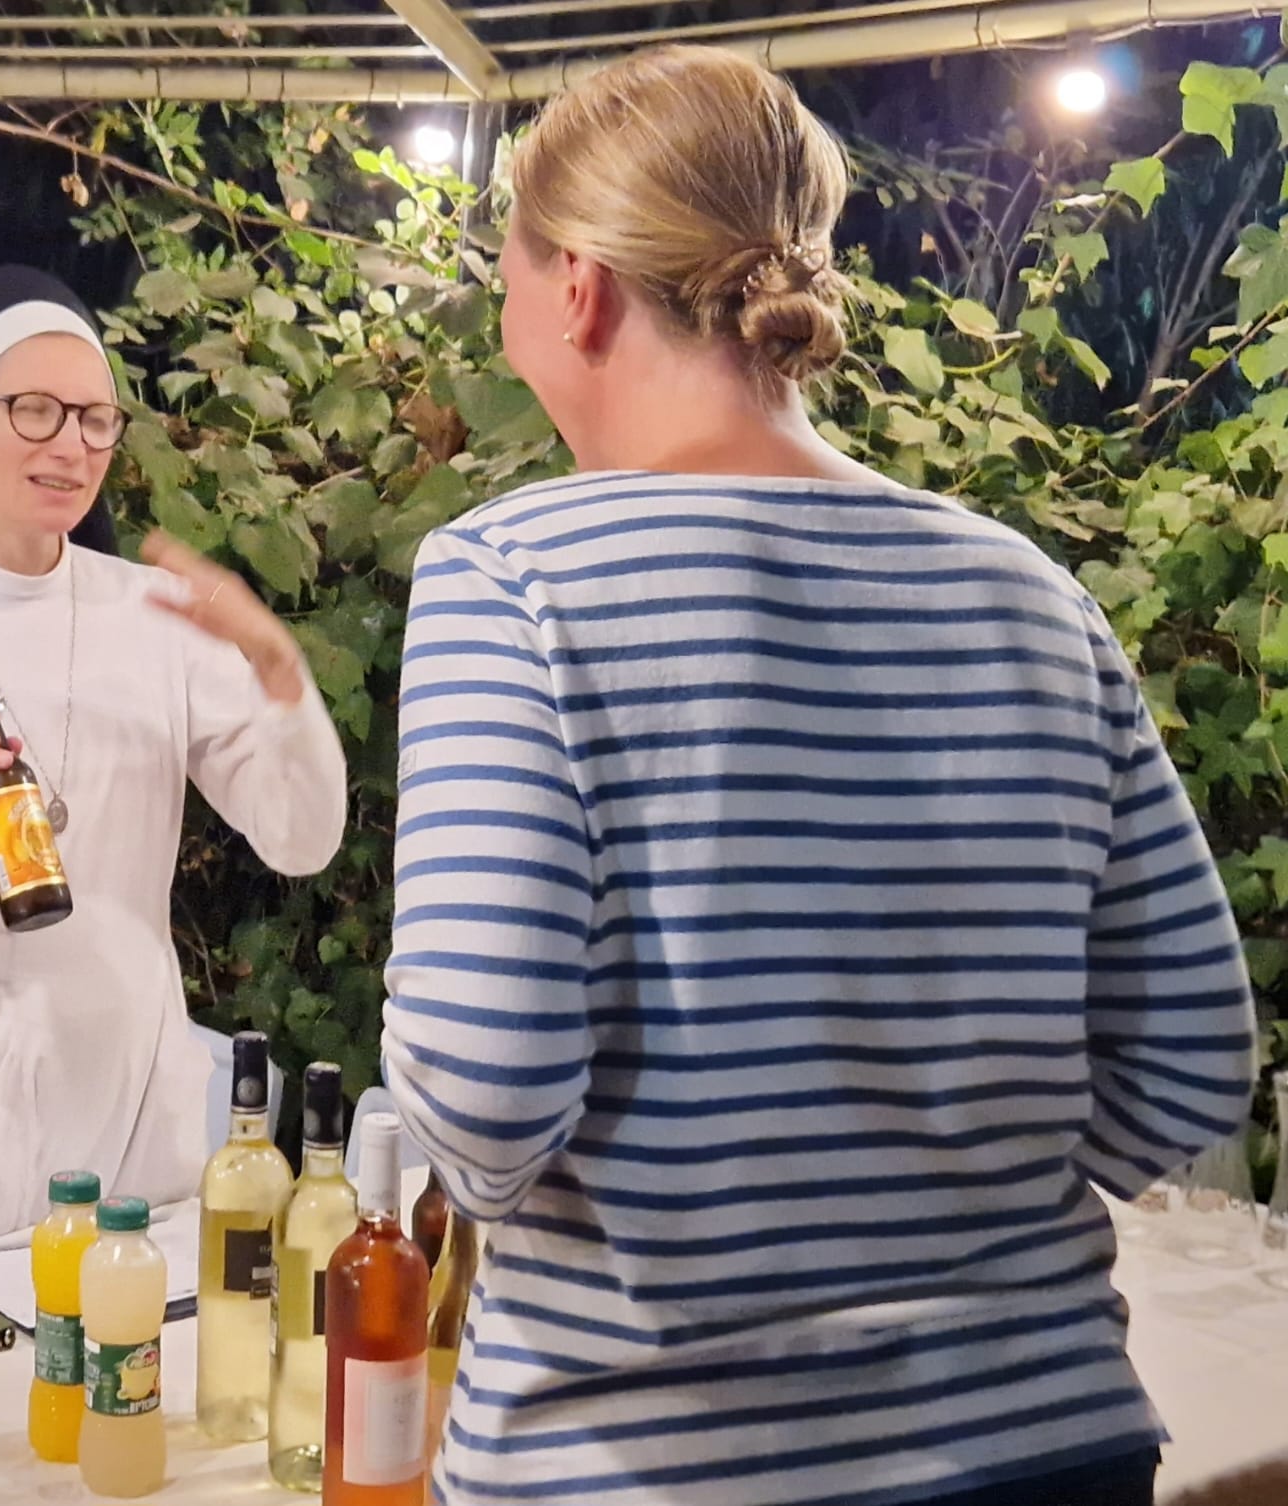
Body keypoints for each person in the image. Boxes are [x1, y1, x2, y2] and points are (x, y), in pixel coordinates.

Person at [380, 45, 1254, 1506]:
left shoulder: (514, 577)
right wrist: (954, 1188)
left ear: (577, 286)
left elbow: (483, 1095)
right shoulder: (1033, 593)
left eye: (505, 268)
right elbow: (1189, 1070)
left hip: (658, 1462)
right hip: (1046, 1444)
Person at [0, 265, 346, 1278]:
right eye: (34, 410)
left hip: (128, 1113)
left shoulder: (154, 621)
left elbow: (301, 838)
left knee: (131, 1367)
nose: (72, 444)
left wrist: (276, 669)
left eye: (94, 418)